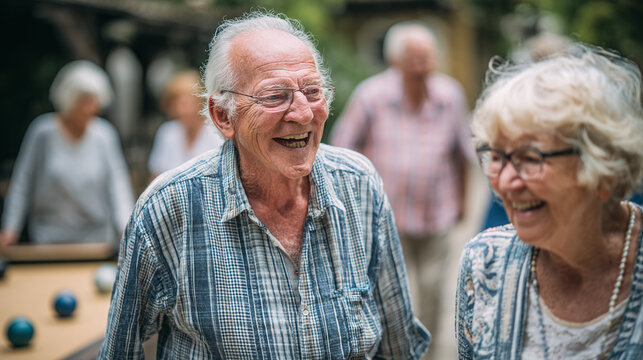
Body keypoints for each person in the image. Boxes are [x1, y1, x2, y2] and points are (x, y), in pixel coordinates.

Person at [99, 11, 429, 359]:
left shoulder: (359, 186)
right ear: (223, 116)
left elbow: (398, 347)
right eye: (274, 96)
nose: (303, 114)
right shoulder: (169, 209)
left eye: (312, 91)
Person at [456, 44, 643, 358]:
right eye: (497, 156)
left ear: (601, 164)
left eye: (530, 158)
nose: (505, 182)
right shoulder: (484, 263)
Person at [330, 21, 473, 350]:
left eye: (427, 57)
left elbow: (461, 153)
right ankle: (397, 351)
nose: (422, 65)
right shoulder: (372, 95)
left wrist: (463, 202)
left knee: (436, 291)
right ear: (395, 60)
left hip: (437, 212)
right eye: (414, 57)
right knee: (395, 293)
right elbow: (342, 149)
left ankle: (430, 352)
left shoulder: (449, 95)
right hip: (386, 216)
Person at [0, 60, 134, 246]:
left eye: (95, 101)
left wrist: (126, 228)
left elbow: (118, 183)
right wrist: (10, 228)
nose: (90, 108)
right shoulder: (42, 132)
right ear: (69, 100)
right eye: (84, 101)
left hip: (96, 240)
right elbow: (23, 181)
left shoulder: (104, 134)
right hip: (48, 239)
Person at [147, 70, 224, 179]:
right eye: (176, 104)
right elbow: (156, 177)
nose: (181, 110)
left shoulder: (216, 135)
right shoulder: (167, 133)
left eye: (186, 104)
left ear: (199, 103)